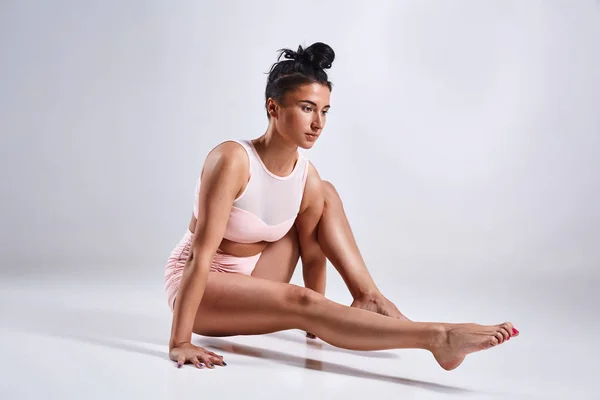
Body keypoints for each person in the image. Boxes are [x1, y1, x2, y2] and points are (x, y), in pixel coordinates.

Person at [164, 42, 519, 371]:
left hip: (255, 275)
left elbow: (313, 253)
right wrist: (180, 341)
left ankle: (368, 296)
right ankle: (438, 337)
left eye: (324, 111)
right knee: (302, 302)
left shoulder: (306, 176)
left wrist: (318, 322)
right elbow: (199, 255)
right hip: (199, 285)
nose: (317, 123)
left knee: (324, 194)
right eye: (306, 109)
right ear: (273, 107)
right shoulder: (232, 160)